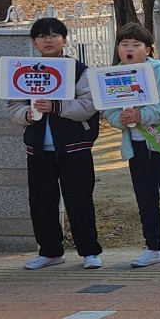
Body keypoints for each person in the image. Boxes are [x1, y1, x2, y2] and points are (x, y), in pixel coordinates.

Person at [9, 18, 104, 270]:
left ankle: (90, 252)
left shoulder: (78, 69)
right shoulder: (24, 71)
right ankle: (50, 251)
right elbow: (13, 106)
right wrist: (28, 115)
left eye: (54, 35)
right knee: (41, 201)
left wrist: (56, 107)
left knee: (79, 200)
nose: (48, 40)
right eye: (42, 36)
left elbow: (90, 104)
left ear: (65, 39)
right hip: (38, 148)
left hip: (75, 147)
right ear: (34, 42)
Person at [102, 23, 160, 268]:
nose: (129, 49)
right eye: (124, 44)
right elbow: (109, 110)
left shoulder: (157, 70)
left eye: (136, 44)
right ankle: (153, 247)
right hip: (136, 148)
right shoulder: (114, 74)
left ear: (148, 49)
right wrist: (120, 119)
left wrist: (143, 117)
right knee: (145, 199)